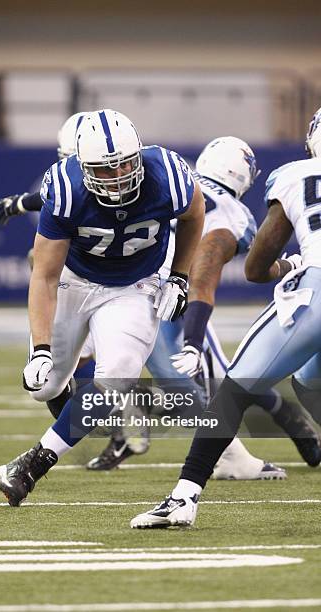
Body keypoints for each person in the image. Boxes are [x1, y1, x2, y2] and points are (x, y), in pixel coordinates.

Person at [0, 108, 206, 507]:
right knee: (46, 387)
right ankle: (91, 409)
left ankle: (32, 464)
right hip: (75, 280)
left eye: (125, 164)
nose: (117, 176)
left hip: (135, 283)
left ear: (138, 154)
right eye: (104, 170)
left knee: (119, 374)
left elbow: (195, 215)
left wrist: (179, 277)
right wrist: (40, 348)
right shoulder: (65, 187)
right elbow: (43, 275)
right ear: (81, 165)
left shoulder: (169, 175)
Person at [130, 108, 321, 529]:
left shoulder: (294, 175)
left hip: (131, 288)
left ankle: (183, 497)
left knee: (233, 390)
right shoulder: (233, 214)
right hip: (174, 299)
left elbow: (254, 268)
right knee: (306, 382)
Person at [87, 137, 320, 476]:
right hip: (169, 296)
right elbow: (205, 277)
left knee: (186, 378)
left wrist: (26, 204)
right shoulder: (235, 215)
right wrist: (194, 340)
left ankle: (133, 423)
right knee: (202, 377)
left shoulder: (174, 181)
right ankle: (236, 443)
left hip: (120, 286)